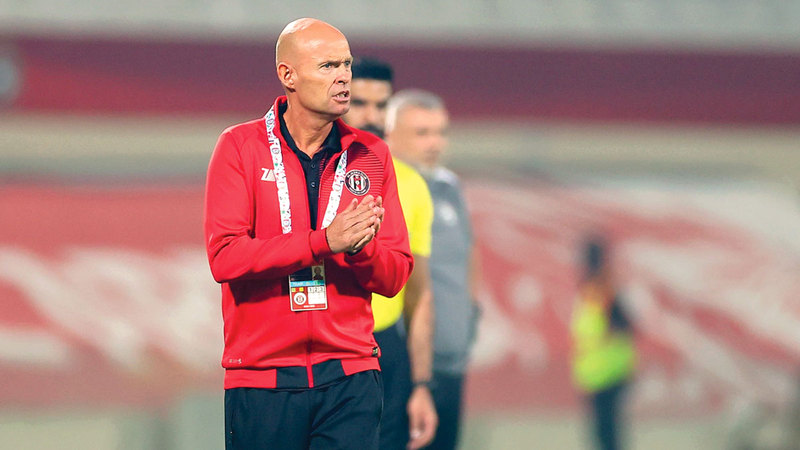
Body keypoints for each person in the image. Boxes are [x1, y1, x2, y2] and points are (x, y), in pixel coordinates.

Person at [203, 18, 414, 450]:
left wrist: (359, 250)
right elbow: (225, 257)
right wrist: (323, 242)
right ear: (288, 76)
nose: (344, 77)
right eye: (328, 66)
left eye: (346, 65)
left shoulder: (371, 154)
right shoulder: (240, 147)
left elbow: (394, 276)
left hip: (351, 374)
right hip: (263, 377)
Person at [343, 58, 438, 450]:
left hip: (385, 351)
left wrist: (421, 384)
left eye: (381, 106)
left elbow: (418, 294)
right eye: (359, 103)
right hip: (328, 346)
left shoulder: (411, 184)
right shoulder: (310, 174)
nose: (371, 116)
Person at [384, 89, 481, 450]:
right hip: (407, 367)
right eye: (422, 133)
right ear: (391, 135)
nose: (434, 142)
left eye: (440, 132)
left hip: (452, 360)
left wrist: (470, 315)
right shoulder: (384, 187)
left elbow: (468, 254)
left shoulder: (449, 186)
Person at [570, 237, 636, 450]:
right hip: (599, 374)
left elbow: (625, 324)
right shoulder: (596, 290)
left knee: (606, 436)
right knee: (605, 435)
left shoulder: (602, 290)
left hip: (608, 373)